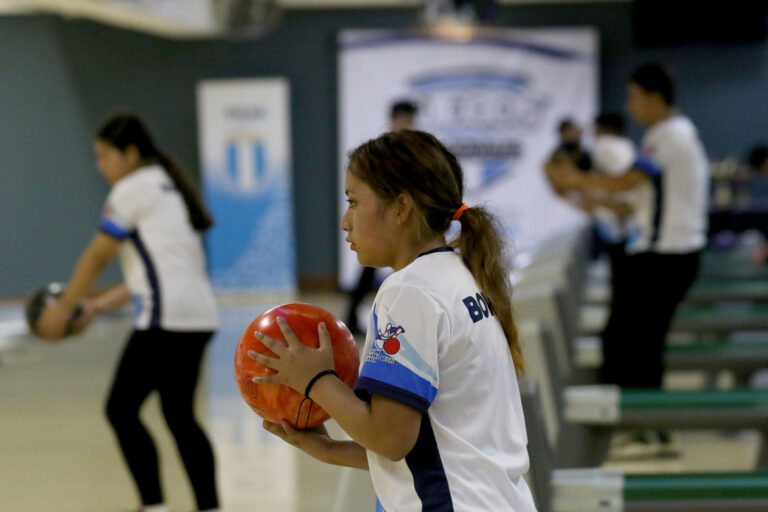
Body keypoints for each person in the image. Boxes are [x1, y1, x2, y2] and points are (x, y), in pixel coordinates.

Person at [248, 130, 536, 511]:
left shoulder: (409, 291)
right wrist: (328, 448)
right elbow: (437, 447)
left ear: (401, 208)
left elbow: (390, 438)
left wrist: (316, 380)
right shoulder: (460, 274)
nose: (344, 221)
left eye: (353, 202)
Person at [38, 113, 220, 512]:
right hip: (198, 317)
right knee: (179, 415)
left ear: (130, 154)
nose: (100, 165)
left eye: (105, 155)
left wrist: (65, 306)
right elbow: (152, 277)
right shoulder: (166, 185)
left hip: (167, 321)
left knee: (120, 409)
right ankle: (210, 506)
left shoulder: (130, 189)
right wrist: (96, 306)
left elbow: (97, 255)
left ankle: (153, 506)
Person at [547, 63, 708, 455]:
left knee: (630, 341)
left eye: (635, 96)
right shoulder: (673, 134)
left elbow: (627, 181)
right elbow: (630, 199)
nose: (631, 105)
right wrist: (587, 195)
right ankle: (645, 427)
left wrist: (574, 181)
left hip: (666, 254)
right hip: (664, 252)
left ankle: (645, 427)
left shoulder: (667, 135)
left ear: (654, 97)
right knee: (634, 342)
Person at [345, 100, 419, 335]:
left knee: (407, 267)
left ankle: (404, 318)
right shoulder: (384, 149)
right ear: (397, 118)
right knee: (370, 269)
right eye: (406, 119)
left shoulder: (412, 147)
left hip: (402, 215)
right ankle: (353, 316)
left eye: (411, 120)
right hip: (385, 216)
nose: (409, 124)